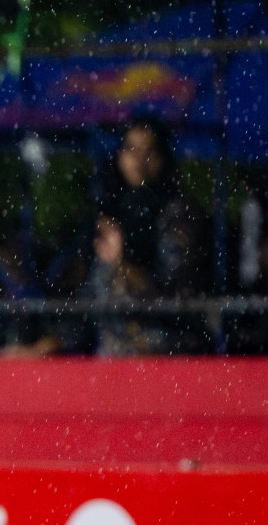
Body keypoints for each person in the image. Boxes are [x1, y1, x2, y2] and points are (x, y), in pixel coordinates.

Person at [87, 117, 208, 354]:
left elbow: (171, 294)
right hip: (115, 352)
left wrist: (120, 263)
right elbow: (90, 291)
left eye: (148, 150)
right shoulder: (113, 207)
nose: (138, 159)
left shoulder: (178, 212)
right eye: (130, 148)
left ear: (162, 157)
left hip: (167, 350)